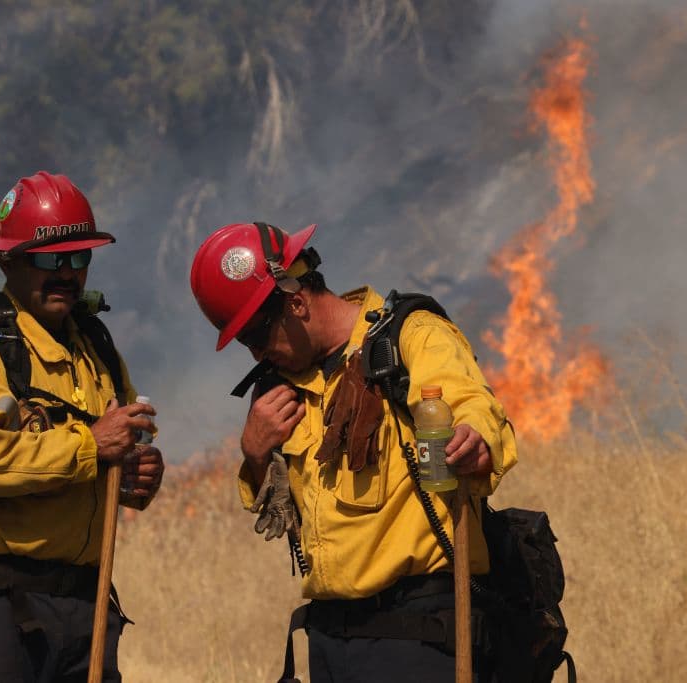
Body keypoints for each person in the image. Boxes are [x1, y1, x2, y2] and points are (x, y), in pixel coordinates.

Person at [189, 222, 518, 682]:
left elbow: (473, 406)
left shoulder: (411, 337)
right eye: (245, 343)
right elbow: (278, 512)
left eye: (258, 337)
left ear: (296, 302)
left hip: (417, 638)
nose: (256, 354)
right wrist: (255, 454)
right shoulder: (281, 387)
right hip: (330, 640)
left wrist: (473, 440)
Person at [0, 171, 164, 682]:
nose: (68, 275)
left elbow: (115, 452)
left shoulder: (95, 346)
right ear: (8, 261)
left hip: (83, 607)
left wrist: (136, 475)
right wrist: (92, 447)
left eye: (80, 259)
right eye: (51, 260)